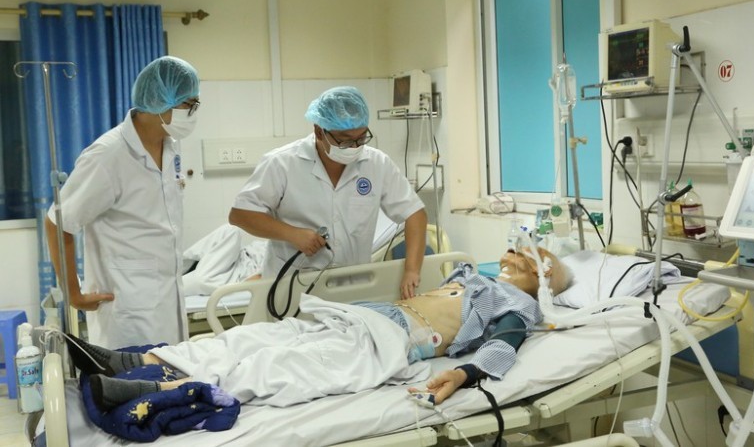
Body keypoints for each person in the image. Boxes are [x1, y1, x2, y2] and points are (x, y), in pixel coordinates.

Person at [67, 246, 572, 410]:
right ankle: (134, 360)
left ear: (543, 279)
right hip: (364, 317)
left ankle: (154, 392)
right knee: (250, 336)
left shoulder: (520, 307)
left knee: (276, 366)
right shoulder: (474, 274)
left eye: (532, 256)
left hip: (396, 342)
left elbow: (504, 345)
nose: (515, 252)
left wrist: (461, 376)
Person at [46, 56, 201, 349]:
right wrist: (73, 294)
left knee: (172, 372)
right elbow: (57, 222)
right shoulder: (108, 155)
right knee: (136, 375)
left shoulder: (171, 146)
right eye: (188, 104)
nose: (193, 112)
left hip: (168, 300)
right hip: (127, 312)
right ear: (160, 102)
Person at [228, 86, 427, 299]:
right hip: (293, 289)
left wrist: (411, 270)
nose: (354, 147)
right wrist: (292, 234)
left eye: (361, 138)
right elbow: (240, 215)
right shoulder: (282, 163)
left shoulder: (377, 163)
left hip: (354, 285)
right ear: (319, 131)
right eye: (344, 140)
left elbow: (414, 213)